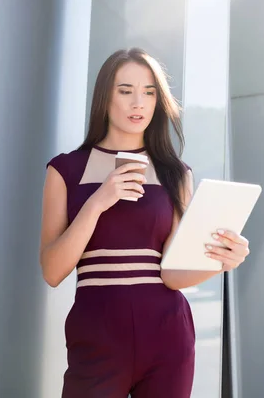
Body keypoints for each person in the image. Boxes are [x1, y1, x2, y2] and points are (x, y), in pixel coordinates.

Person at [39, 47, 250, 398]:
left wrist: (221, 260)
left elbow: (171, 273)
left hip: (167, 335)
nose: (139, 102)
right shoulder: (65, 170)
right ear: (105, 98)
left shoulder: (175, 173)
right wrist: (97, 203)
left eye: (149, 92)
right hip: (96, 336)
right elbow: (52, 270)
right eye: (126, 91)